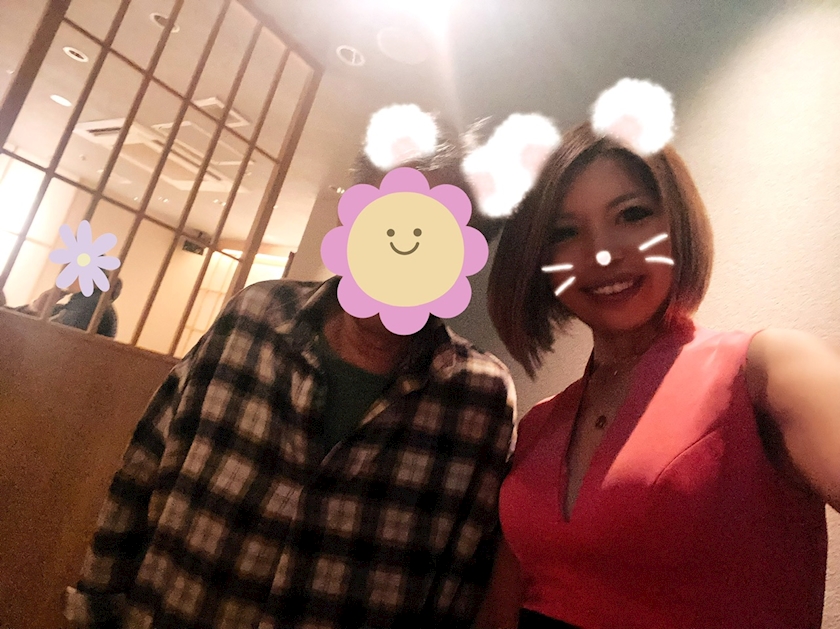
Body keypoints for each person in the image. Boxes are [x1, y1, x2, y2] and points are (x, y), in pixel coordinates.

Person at [64, 109, 516, 629]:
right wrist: (94, 607)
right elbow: (143, 464)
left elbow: (460, 576)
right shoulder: (253, 318)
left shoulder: (479, 399)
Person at [478, 115, 840, 627]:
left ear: (677, 224)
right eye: (565, 232)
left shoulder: (767, 370)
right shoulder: (538, 425)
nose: (603, 253)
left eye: (632, 214)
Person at [11, 278, 121, 338]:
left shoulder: (91, 306)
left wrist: (36, 308)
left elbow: (46, 338)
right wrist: (36, 307)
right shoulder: (67, 307)